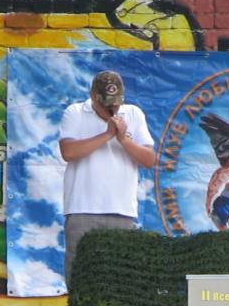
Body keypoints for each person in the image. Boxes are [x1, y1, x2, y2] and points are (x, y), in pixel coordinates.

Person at [58, 69, 156, 282]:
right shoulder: (75, 112)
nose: (113, 109)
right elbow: (68, 152)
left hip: (122, 210)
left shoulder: (134, 113)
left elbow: (149, 160)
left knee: (120, 278)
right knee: (79, 274)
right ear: (93, 97)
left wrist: (124, 140)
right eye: (106, 104)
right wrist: (107, 134)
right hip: (82, 209)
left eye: (116, 103)